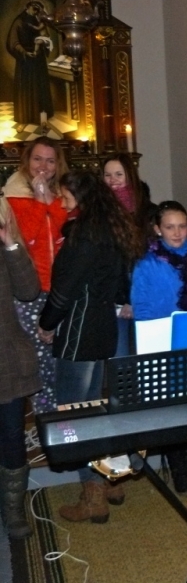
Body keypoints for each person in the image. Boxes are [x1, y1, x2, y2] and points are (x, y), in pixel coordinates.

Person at [38, 171, 139, 523]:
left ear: (78, 195)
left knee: (75, 414)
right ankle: (110, 482)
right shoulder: (110, 228)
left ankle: (92, 493)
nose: (61, 198)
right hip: (103, 328)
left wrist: (47, 323)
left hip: (79, 332)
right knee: (94, 407)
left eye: (65, 193)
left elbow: (64, 289)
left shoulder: (84, 234)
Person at [132, 201, 187, 494]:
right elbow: (143, 309)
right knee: (175, 411)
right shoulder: (147, 265)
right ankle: (181, 471)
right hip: (165, 345)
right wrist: (157, 338)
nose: (177, 233)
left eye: (182, 226)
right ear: (158, 229)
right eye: (170, 227)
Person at [4, 137, 69, 413]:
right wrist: (40, 203)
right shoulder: (13, 195)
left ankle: (63, 419)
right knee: (39, 362)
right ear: (27, 161)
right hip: (31, 289)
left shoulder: (64, 195)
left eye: (50, 160)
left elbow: (65, 232)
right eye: (38, 159)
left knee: (60, 359)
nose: (43, 166)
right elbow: (25, 237)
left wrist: (49, 201)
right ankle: (45, 420)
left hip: (60, 290)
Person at [0, 196, 41, 539]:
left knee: (12, 435)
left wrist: (10, 243)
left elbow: (29, 291)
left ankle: (13, 509)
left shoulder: (8, 248)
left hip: (7, 360)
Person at [102, 153, 157, 356]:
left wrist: (132, 298)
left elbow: (149, 259)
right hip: (110, 298)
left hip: (142, 295)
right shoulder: (99, 211)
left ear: (130, 176)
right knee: (119, 360)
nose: (113, 180)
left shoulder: (148, 212)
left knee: (147, 357)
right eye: (108, 175)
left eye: (119, 174)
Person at [6, 0, 54, 125]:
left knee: (40, 86)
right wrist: (24, 52)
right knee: (26, 89)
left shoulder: (38, 21)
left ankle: (42, 117)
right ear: (27, 7)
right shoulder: (19, 22)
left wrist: (44, 41)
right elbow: (13, 42)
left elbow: (46, 37)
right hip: (25, 60)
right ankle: (25, 118)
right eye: (34, 8)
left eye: (37, 10)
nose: (35, 11)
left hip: (38, 59)